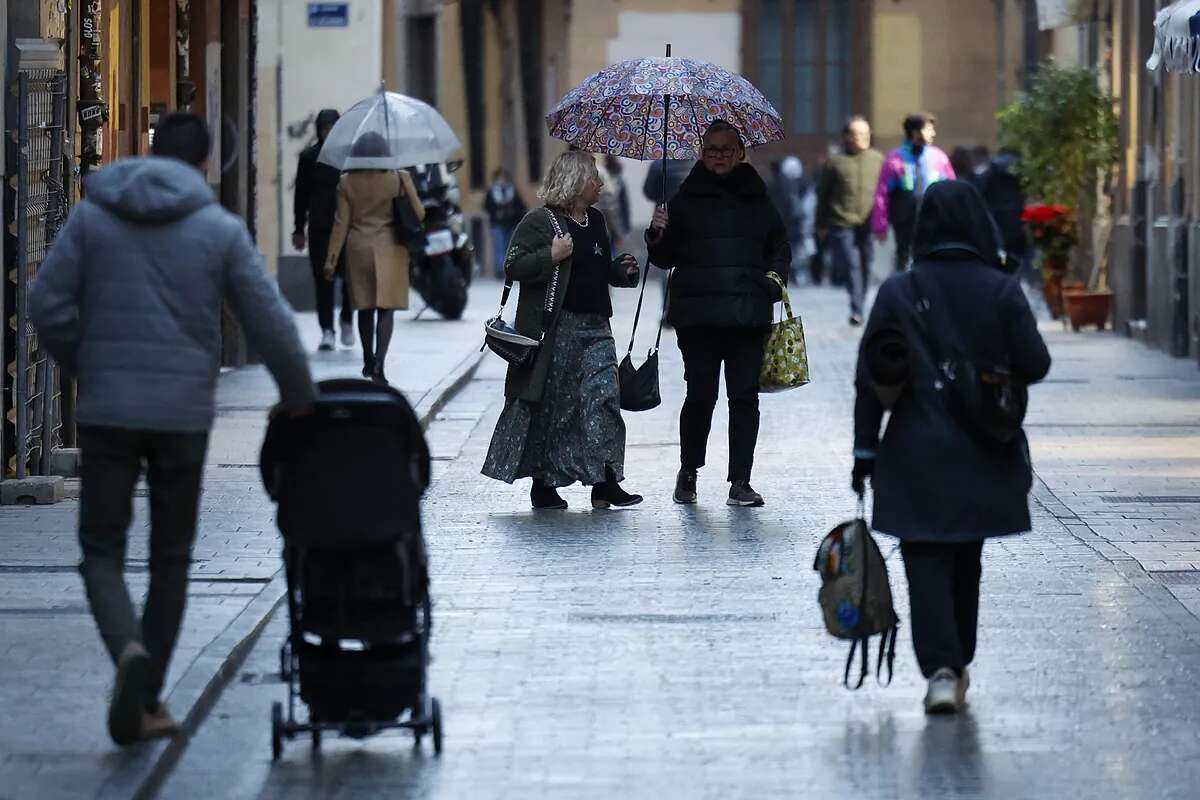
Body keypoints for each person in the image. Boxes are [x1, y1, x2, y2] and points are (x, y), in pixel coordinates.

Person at [29, 113, 316, 746]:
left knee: (101, 550)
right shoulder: (217, 229)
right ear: (208, 165)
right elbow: (269, 323)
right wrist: (301, 399)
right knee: (170, 558)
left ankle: (127, 654)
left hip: (107, 412)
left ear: (148, 148)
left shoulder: (92, 216)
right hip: (182, 417)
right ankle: (148, 688)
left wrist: (89, 366)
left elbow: (45, 302)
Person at [851, 180, 1051, 714]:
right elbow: (1036, 364)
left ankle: (941, 668)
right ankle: (956, 660)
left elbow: (869, 377)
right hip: (984, 451)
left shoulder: (898, 291)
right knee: (967, 558)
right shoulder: (1002, 290)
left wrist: (864, 453)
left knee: (925, 560)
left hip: (913, 453)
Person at [482, 150, 644, 510]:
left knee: (603, 399)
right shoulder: (540, 223)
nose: (600, 184)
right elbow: (513, 265)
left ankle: (605, 482)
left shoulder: (597, 220)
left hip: (597, 327)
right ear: (575, 181)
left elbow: (596, 270)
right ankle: (544, 484)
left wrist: (620, 272)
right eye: (593, 178)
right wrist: (549, 257)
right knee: (556, 407)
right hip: (557, 329)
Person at [646, 120, 789, 508]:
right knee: (701, 396)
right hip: (700, 317)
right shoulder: (684, 197)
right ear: (701, 153)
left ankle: (740, 481)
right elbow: (664, 257)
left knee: (744, 397)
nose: (719, 156)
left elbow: (779, 246)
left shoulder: (758, 196)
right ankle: (688, 471)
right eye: (712, 149)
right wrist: (657, 232)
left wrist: (773, 283)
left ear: (740, 153)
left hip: (747, 314)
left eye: (726, 149)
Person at [324, 132, 424, 386]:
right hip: (391, 248)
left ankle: (367, 358)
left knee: (364, 307)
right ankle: (380, 363)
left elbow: (340, 223)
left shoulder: (346, 182)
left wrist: (331, 259)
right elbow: (419, 213)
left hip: (358, 249)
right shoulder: (399, 178)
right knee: (386, 308)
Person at [293, 108, 354, 351]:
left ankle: (347, 319)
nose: (328, 132)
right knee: (323, 280)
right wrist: (299, 229)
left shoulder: (349, 157)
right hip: (319, 227)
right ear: (318, 129)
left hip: (348, 226)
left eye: (332, 127)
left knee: (351, 278)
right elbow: (301, 195)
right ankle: (327, 329)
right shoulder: (309, 157)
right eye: (324, 127)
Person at [816, 115, 885, 326]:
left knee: (866, 264)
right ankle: (857, 309)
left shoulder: (878, 160)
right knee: (852, 264)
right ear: (847, 137)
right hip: (842, 222)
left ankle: (860, 304)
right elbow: (824, 195)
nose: (862, 138)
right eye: (857, 134)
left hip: (868, 223)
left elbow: (884, 193)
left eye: (865, 134)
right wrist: (820, 224)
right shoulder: (835, 162)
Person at [871, 112, 956, 272]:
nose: (933, 133)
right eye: (929, 129)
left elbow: (952, 188)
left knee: (931, 255)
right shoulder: (895, 159)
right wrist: (880, 225)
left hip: (933, 217)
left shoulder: (938, 157)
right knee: (904, 257)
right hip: (904, 220)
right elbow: (882, 194)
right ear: (915, 133)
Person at [976, 149, 1030, 280]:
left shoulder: (989, 172)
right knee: (1019, 257)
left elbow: (979, 195)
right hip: (1018, 219)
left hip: (996, 220)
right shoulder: (1022, 172)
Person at [484, 168, 526, 280]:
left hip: (511, 224)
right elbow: (487, 206)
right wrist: (496, 211)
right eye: (499, 177)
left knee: (510, 248)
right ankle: (499, 272)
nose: (502, 180)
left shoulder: (512, 190)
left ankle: (510, 270)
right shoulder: (492, 191)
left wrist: (513, 212)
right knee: (499, 248)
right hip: (497, 224)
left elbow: (521, 206)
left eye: (503, 177)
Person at [596, 155, 632, 250]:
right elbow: (620, 207)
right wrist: (621, 231)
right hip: (608, 227)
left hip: (604, 225)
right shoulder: (616, 180)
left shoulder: (602, 175)